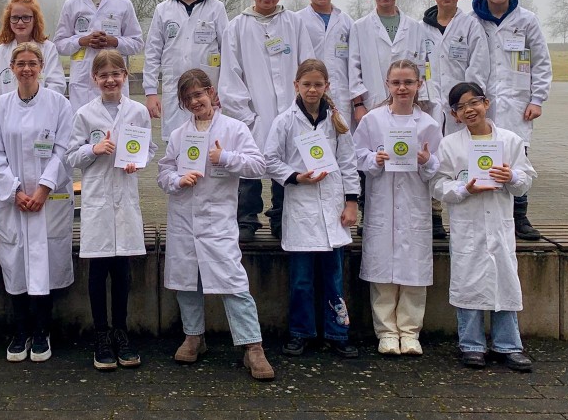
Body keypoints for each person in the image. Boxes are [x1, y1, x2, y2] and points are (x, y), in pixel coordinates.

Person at [157, 69, 275, 381]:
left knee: (233, 282)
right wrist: (177, 179)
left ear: (211, 93)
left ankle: (253, 346)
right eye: (188, 98)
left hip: (218, 221)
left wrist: (225, 157)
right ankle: (194, 337)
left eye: (199, 94)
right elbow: (163, 172)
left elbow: (258, 165)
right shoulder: (179, 134)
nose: (195, 101)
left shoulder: (234, 128)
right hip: (184, 219)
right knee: (187, 282)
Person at [432, 82, 536, 372]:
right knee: (468, 281)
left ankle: (508, 345)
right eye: (460, 107)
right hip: (468, 224)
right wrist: (464, 189)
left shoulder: (510, 140)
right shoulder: (450, 145)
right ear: (454, 115)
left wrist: (510, 176)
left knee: (505, 281)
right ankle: (471, 344)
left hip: (499, 224)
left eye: (473, 103)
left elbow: (525, 181)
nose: (469, 110)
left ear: (486, 103)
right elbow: (438, 185)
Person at [66, 50, 155, 371]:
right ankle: (101, 335)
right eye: (103, 75)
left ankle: (121, 332)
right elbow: (71, 156)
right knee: (98, 270)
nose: (110, 80)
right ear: (94, 79)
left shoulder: (138, 112)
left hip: (125, 197)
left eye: (116, 74)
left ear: (125, 76)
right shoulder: (84, 114)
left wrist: (138, 162)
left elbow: (149, 148)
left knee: (122, 272)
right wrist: (95, 148)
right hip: (98, 200)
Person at [264, 60, 360, 358]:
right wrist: (296, 177)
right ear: (296, 85)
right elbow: (270, 160)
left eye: (318, 84)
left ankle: (337, 332)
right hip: (301, 209)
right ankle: (300, 332)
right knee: (302, 281)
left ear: (326, 86)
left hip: (332, 209)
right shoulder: (285, 121)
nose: (312, 90)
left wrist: (352, 202)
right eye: (306, 84)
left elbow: (348, 162)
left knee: (334, 279)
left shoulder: (337, 120)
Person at [0, 42, 75, 362]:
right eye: (20, 64)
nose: (26, 69)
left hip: (47, 201)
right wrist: (14, 191)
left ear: (41, 67)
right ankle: (20, 330)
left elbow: (64, 149)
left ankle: (42, 331)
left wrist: (43, 189)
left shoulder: (59, 104)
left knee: (44, 264)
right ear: (11, 68)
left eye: (32, 63)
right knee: (16, 264)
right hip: (14, 201)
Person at [218, 0, 314, 242]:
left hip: (291, 112)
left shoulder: (294, 24)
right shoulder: (237, 27)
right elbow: (230, 76)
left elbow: (307, 66)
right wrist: (247, 116)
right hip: (253, 113)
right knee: (249, 167)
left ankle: (281, 217)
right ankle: (247, 219)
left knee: (286, 165)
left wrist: (300, 108)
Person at [352, 59, 442, 356]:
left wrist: (426, 161)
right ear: (387, 85)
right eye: (396, 82)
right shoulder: (372, 120)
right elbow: (356, 155)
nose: (402, 88)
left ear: (419, 85)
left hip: (414, 204)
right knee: (382, 271)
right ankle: (387, 332)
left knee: (413, 270)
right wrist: (373, 160)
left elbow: (439, 167)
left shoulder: (428, 124)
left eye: (408, 82)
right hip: (383, 203)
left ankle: (410, 331)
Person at [472, 0, 552, 241]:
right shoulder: (471, 21)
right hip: (482, 105)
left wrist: (537, 99)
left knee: (518, 158)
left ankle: (520, 216)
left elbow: (541, 62)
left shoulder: (527, 20)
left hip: (517, 105)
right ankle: (482, 215)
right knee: (480, 156)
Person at [144, 0, 229, 142]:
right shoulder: (163, 10)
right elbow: (152, 54)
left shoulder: (216, 8)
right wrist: (150, 92)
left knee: (210, 141)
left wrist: (224, 89)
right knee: (176, 142)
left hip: (209, 91)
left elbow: (228, 51)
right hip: (174, 90)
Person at [53, 0, 144, 113]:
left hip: (114, 81)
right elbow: (59, 44)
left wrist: (113, 41)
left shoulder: (123, 3)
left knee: (115, 124)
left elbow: (137, 43)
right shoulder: (71, 5)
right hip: (83, 83)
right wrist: (82, 41)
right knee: (83, 124)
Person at [349, 0, 428, 120]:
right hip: (372, 104)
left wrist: (423, 99)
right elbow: (354, 69)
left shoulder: (415, 27)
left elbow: (423, 66)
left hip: (409, 105)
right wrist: (358, 105)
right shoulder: (359, 27)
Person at [421, 0, 490, 131]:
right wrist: (421, 98)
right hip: (428, 104)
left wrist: (468, 104)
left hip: (460, 107)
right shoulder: (420, 29)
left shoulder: (471, 26)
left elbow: (478, 67)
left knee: (461, 145)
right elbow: (416, 67)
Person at [295, 0, 355, 129]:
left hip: (341, 96)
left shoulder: (347, 22)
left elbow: (354, 63)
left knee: (341, 138)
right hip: (309, 94)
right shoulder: (296, 20)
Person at [0, 0, 65, 105]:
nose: (20, 22)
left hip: (42, 111)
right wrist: (0, 110)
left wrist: (38, 107)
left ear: (35, 19)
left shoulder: (48, 49)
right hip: (7, 113)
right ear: (8, 20)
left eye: (26, 17)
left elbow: (56, 85)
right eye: (15, 18)